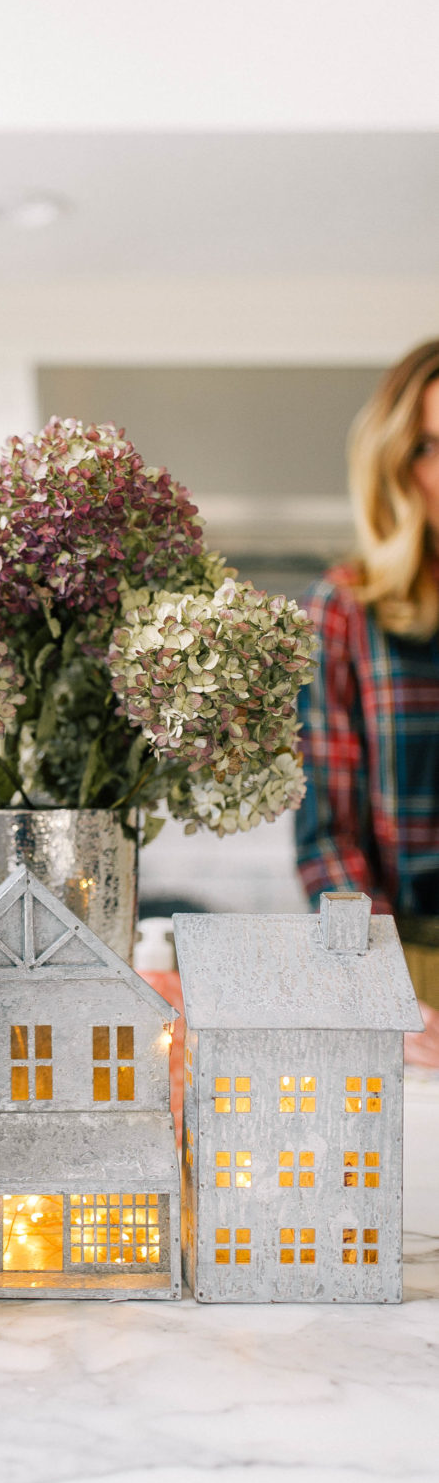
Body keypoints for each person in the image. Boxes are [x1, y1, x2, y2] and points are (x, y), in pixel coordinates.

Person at [295, 338, 439, 1067]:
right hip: (409, 968)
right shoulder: (345, 610)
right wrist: (380, 987)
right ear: (396, 464)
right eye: (431, 447)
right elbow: (328, 836)